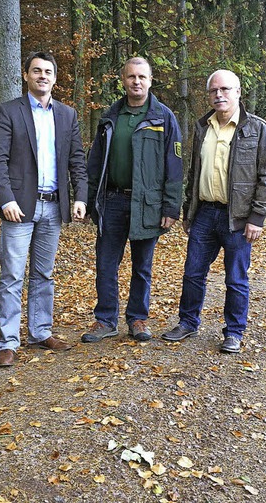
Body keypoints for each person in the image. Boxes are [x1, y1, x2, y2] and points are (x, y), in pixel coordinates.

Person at [161, 69, 266, 353]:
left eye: (225, 89)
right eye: (214, 91)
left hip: (238, 219)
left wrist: (257, 217)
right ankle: (188, 322)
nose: (219, 95)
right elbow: (195, 173)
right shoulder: (203, 126)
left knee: (236, 278)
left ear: (238, 92)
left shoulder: (258, 129)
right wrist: (188, 212)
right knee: (192, 273)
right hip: (204, 213)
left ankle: (234, 332)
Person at [0, 51, 88, 367]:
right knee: (12, 276)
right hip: (19, 208)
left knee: (44, 274)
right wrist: (6, 200)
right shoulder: (9, 112)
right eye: (36, 71)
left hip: (53, 207)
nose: (42, 76)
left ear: (55, 78)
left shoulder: (67, 115)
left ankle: (40, 332)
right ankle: (8, 342)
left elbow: (77, 161)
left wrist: (80, 197)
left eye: (48, 71)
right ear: (26, 76)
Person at [82, 56, 183, 344]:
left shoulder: (163, 117)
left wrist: (170, 206)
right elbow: (95, 162)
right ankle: (105, 320)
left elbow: (174, 165)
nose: (136, 82)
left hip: (147, 204)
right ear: (123, 80)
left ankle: (138, 319)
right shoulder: (110, 117)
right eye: (131, 77)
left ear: (150, 81)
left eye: (142, 77)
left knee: (142, 266)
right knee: (105, 264)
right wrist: (89, 201)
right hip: (111, 201)